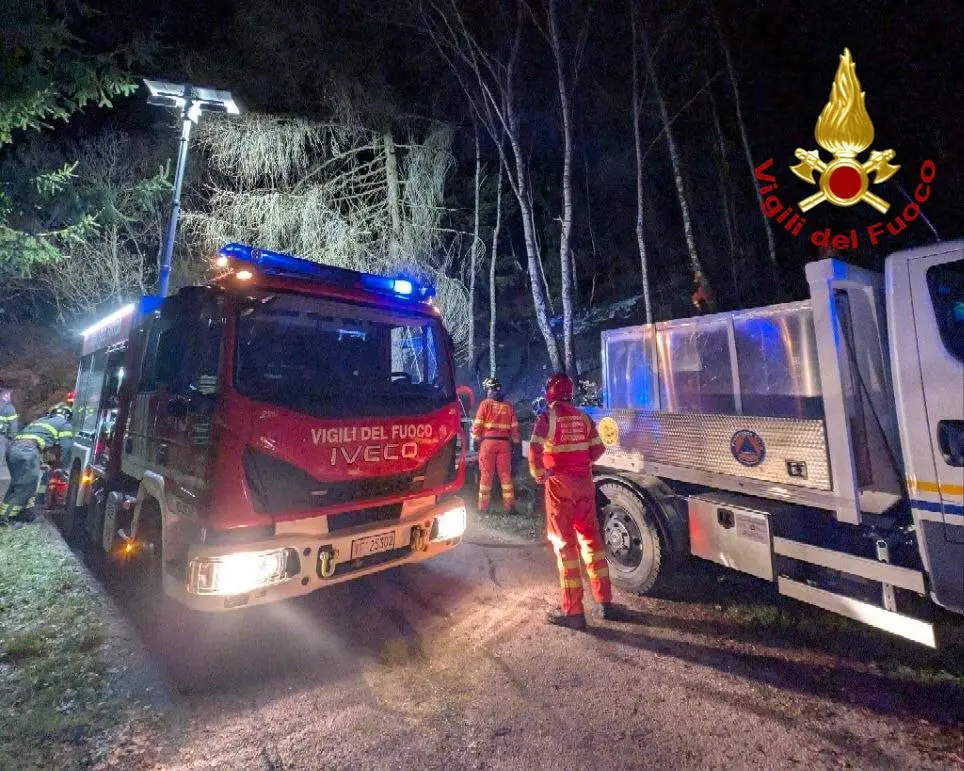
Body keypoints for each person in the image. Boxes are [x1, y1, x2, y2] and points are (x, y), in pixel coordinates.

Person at [528, 373, 626, 629]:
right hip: (584, 484)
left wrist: (540, 475)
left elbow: (535, 449)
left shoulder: (546, 417)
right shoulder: (583, 417)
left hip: (559, 488)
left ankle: (573, 611)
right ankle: (605, 603)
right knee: (591, 542)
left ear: (549, 392)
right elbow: (598, 449)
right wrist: (580, 465)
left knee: (565, 546)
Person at [0, 404, 73, 525]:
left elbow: (42, 442)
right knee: (26, 486)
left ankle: (15, 514)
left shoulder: (41, 421)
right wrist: (64, 466)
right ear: (67, 415)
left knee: (17, 485)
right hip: (27, 452)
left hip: (13, 451)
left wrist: (45, 462)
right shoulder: (64, 424)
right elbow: (66, 447)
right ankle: (7, 519)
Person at [471, 376, 521, 513]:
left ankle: (483, 507)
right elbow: (515, 427)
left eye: (488, 389)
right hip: (504, 444)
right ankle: (510, 506)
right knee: (505, 475)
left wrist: (475, 437)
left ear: (490, 389)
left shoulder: (485, 404)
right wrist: (516, 440)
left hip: (488, 444)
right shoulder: (509, 406)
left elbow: (478, 425)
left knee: (486, 475)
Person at [0, 389, 18, 501]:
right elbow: (13, 427)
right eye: (10, 395)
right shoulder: (9, 408)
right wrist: (13, 437)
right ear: (6, 395)